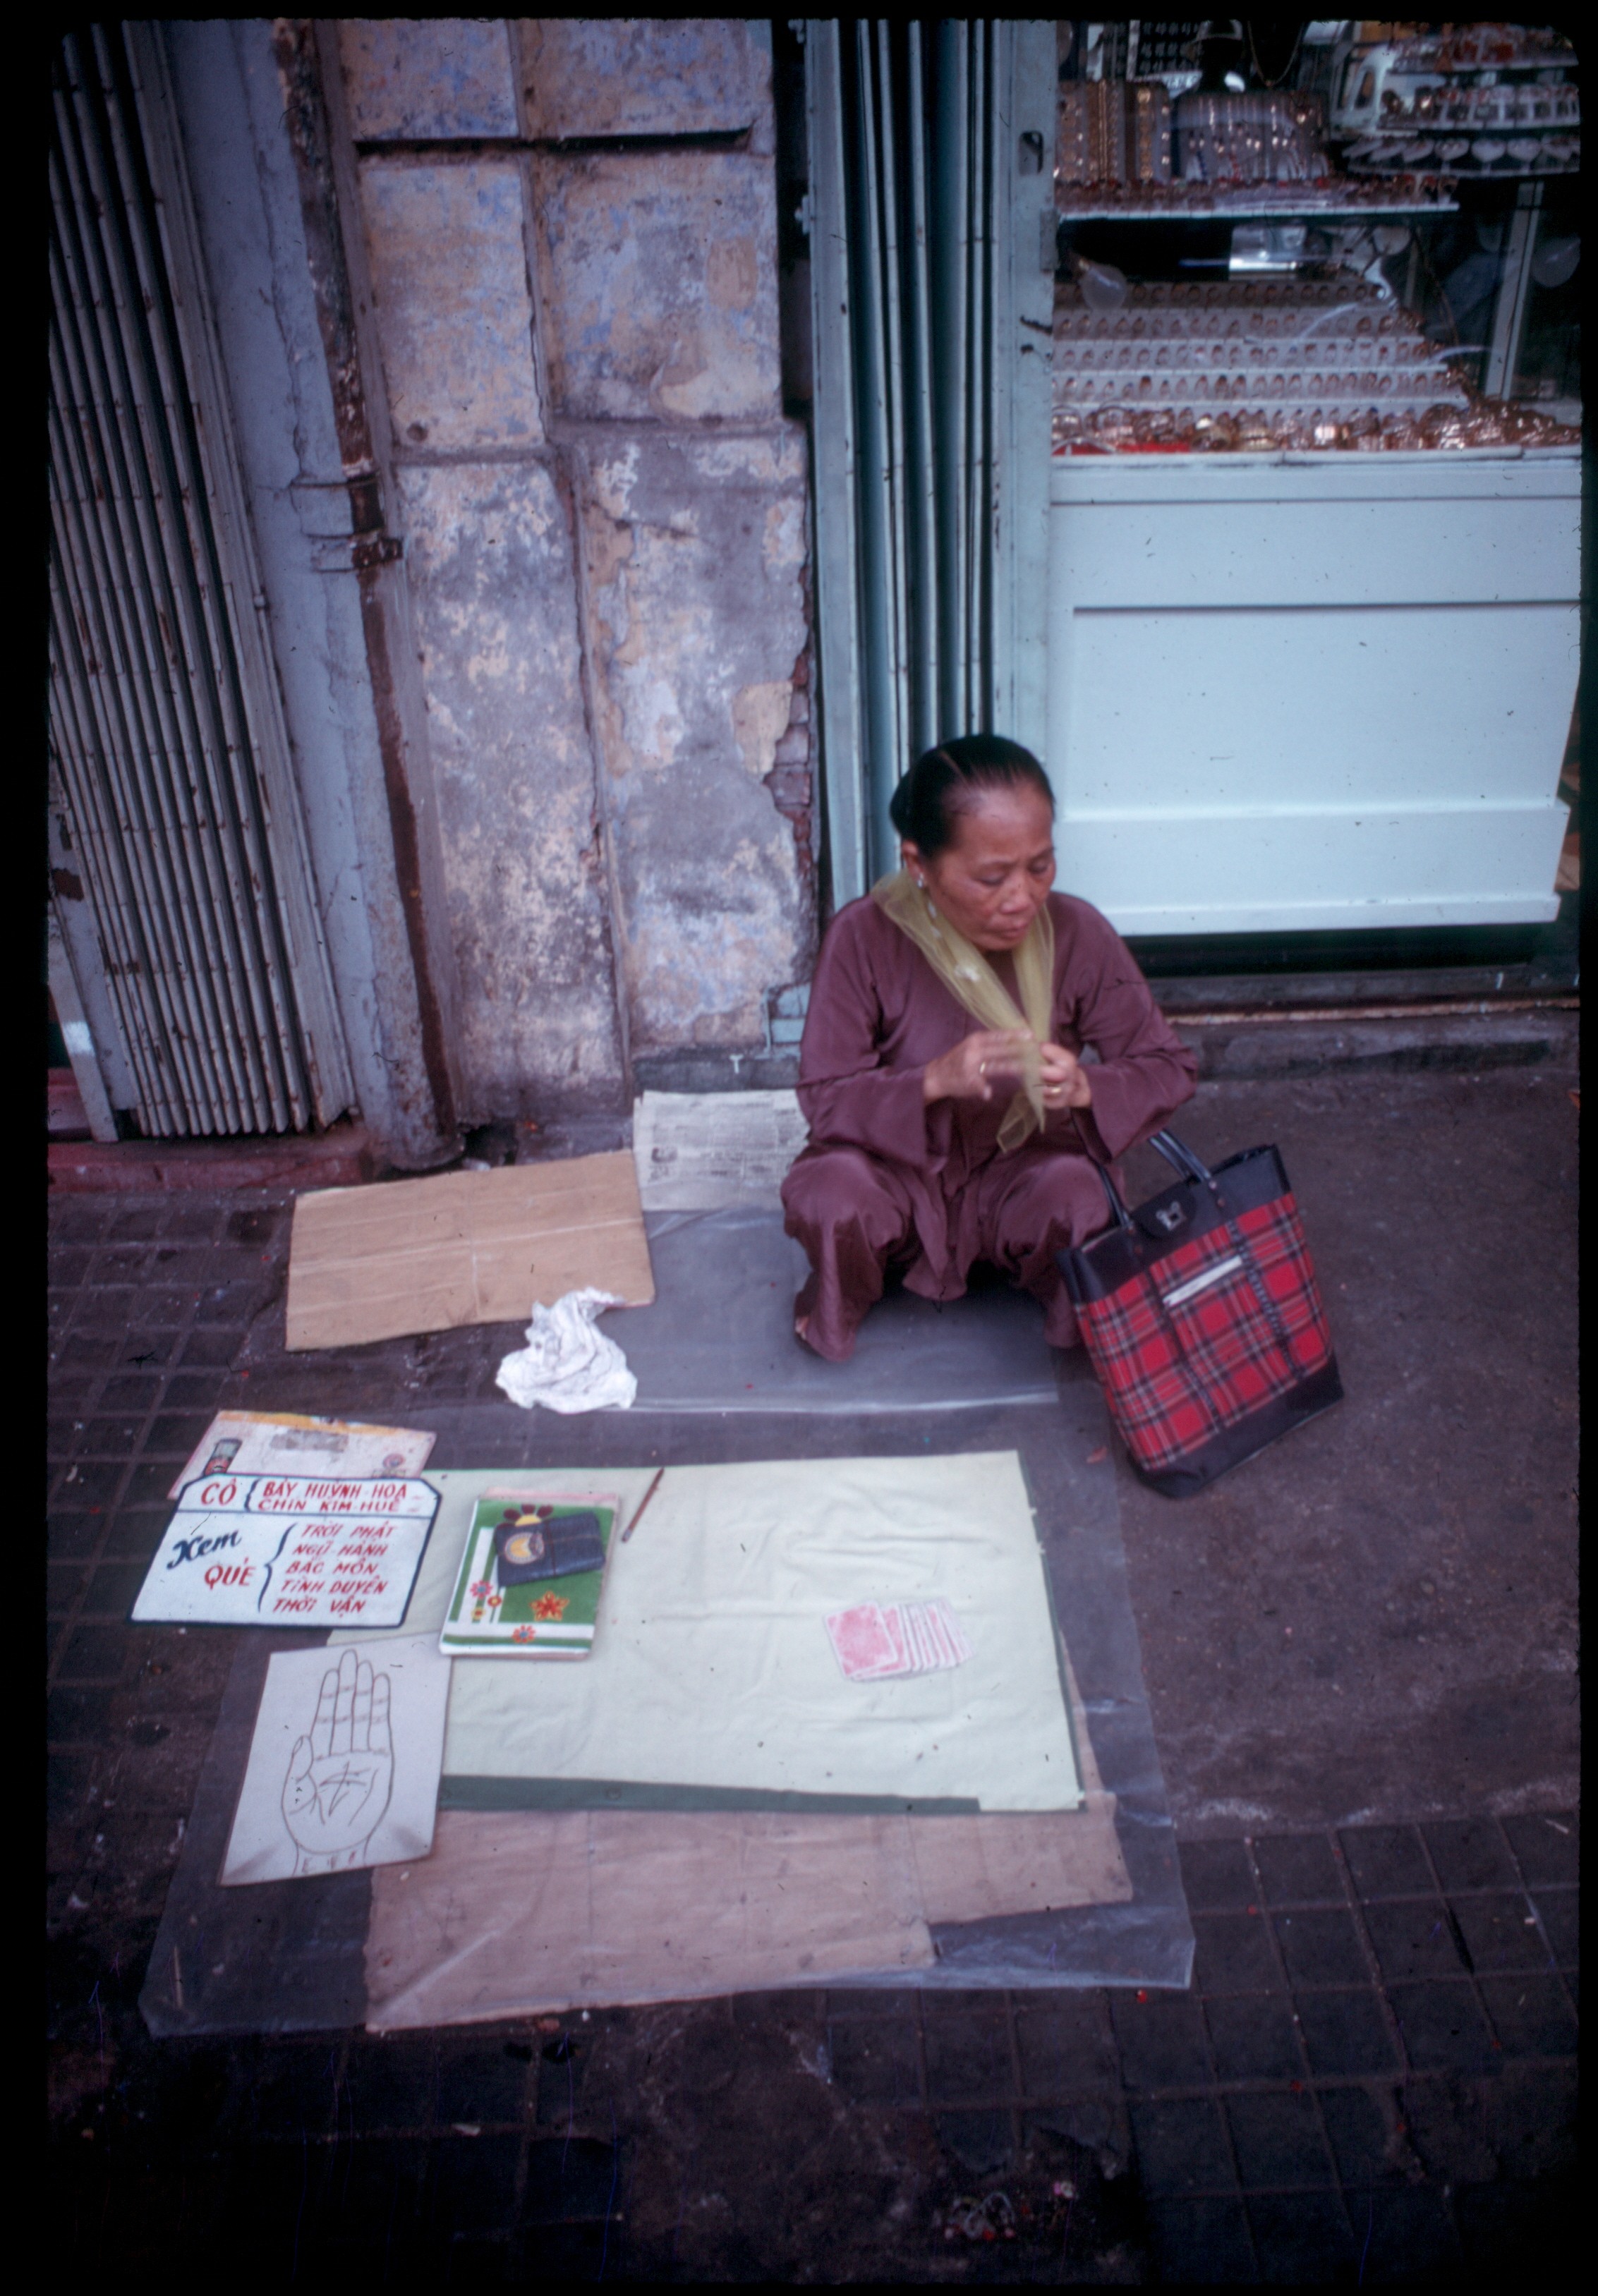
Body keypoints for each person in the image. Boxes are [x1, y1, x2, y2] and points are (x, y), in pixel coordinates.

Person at [781, 734, 1199, 1360]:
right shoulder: (863, 936)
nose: (1021, 898)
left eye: (1039, 866)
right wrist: (930, 1081)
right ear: (918, 863)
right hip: (900, 1177)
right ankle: (848, 1297)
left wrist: (1088, 1087)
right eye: (990, 877)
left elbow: (1167, 1066)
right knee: (833, 1192)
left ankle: (1068, 1325)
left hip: (1020, 1178)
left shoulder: (1076, 932)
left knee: (1077, 1194)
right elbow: (824, 1096)